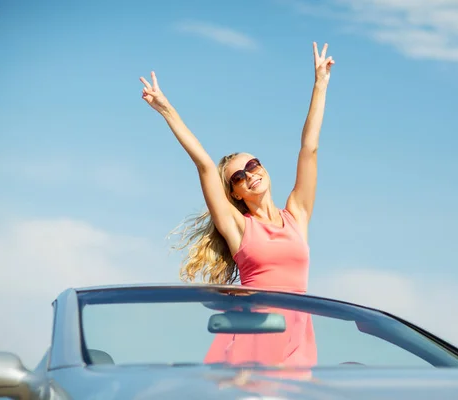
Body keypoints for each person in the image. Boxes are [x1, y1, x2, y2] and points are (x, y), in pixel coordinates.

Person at [139, 42, 335, 367]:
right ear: (235, 194)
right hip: (251, 348)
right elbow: (203, 164)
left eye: (253, 165)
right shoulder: (239, 229)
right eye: (238, 177)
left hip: (298, 344)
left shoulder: (297, 216)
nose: (249, 175)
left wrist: (320, 84)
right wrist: (165, 108)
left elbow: (309, 149)